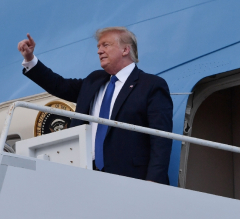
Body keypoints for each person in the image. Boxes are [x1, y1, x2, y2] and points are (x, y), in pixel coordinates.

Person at [17, 27, 173, 184]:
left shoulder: (151, 85)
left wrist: (153, 182)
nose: (99, 51)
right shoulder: (94, 80)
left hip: (131, 177)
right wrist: (30, 59)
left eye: (105, 45)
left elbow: (161, 140)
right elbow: (60, 85)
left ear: (125, 50)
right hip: (86, 175)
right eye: (98, 47)